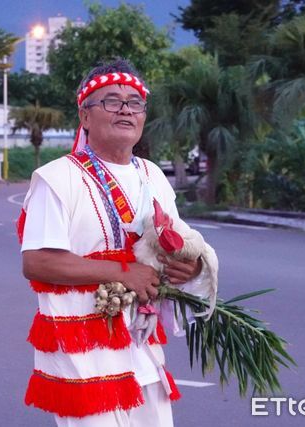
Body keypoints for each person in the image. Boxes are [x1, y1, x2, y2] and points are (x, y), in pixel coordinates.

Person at [17, 59, 216, 427]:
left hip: (142, 347)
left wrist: (191, 266)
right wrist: (125, 272)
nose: (125, 108)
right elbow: (37, 262)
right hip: (83, 350)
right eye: (110, 100)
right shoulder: (56, 178)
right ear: (85, 116)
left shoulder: (152, 174)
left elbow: (180, 243)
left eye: (135, 102)